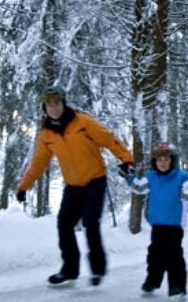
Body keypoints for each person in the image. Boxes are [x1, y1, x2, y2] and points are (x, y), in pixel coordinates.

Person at [17, 85, 134, 287]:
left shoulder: (82, 122)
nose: (53, 108)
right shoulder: (47, 133)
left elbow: (109, 139)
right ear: (44, 108)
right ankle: (70, 270)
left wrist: (127, 160)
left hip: (95, 180)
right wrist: (24, 187)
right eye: (49, 105)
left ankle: (97, 269)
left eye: (56, 103)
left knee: (90, 222)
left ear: (63, 103)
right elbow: (39, 162)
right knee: (64, 224)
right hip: (73, 185)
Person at [127, 142, 188, 302]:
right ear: (154, 162)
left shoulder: (181, 177)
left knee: (173, 255)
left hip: (174, 225)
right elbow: (139, 188)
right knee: (155, 254)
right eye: (159, 159)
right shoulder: (151, 176)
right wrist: (128, 176)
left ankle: (177, 287)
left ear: (172, 160)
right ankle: (153, 282)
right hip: (157, 224)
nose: (163, 162)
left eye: (166, 159)